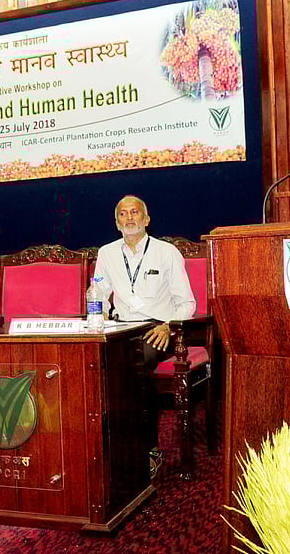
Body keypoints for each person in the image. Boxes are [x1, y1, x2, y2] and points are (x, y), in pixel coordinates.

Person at [92, 195, 196, 478]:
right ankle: (114, 447)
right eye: (123, 214)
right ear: (116, 223)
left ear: (146, 219)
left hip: (157, 328)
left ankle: (148, 448)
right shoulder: (107, 253)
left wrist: (168, 326)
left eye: (135, 212)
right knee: (95, 364)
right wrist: (99, 311)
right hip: (122, 328)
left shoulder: (167, 252)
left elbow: (186, 303)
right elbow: (98, 293)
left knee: (135, 364)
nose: (129, 218)